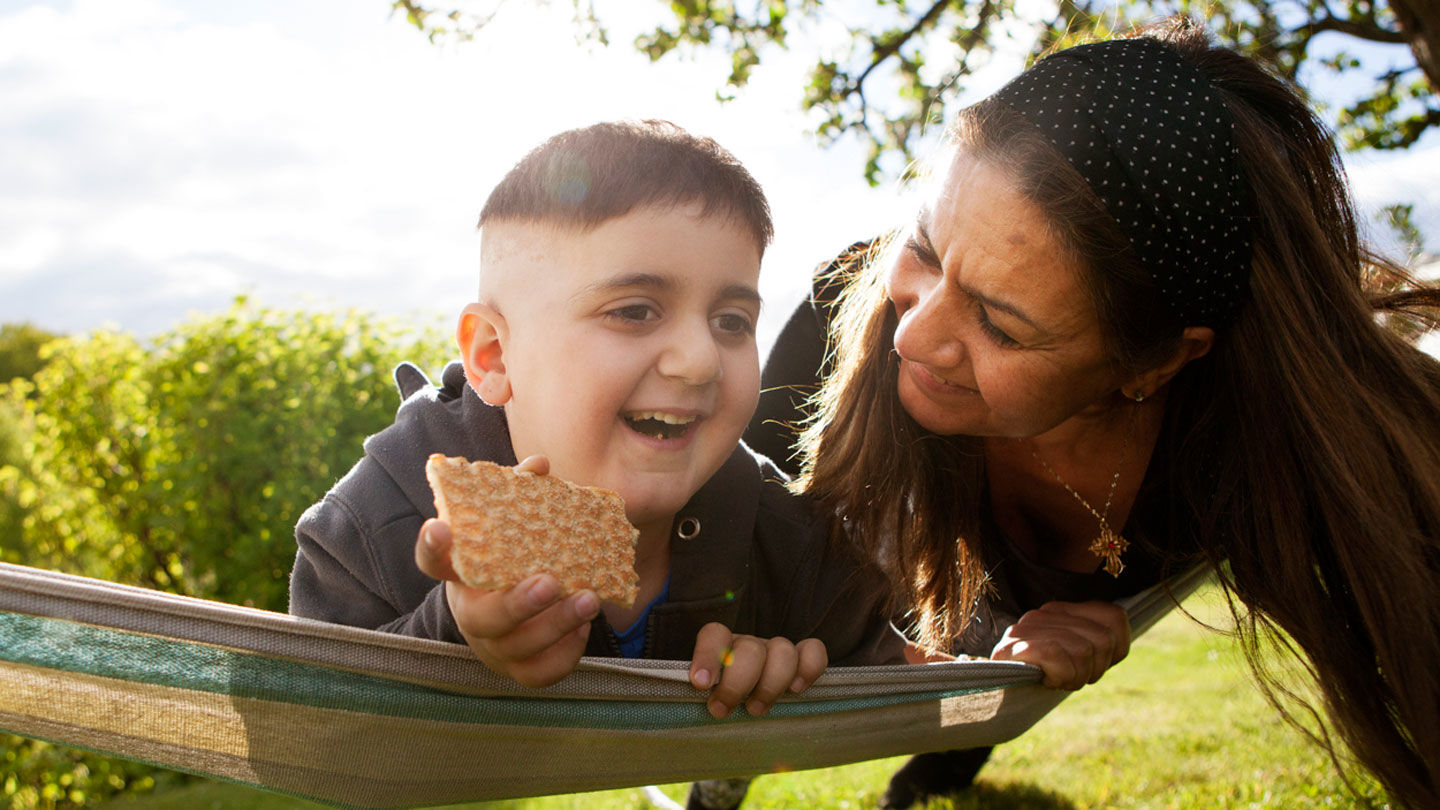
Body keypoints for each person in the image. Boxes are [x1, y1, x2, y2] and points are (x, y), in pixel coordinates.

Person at [747, 18, 1440, 810]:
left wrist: (1002, 681)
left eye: (1001, 326)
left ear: (1154, 364)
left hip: (999, 630)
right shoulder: (846, 319)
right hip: (862, 548)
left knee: (965, 714)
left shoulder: (1238, 443)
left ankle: (937, 775)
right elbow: (726, 548)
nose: (914, 335)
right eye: (927, 250)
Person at [288, 121, 905, 746]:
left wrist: (797, 673)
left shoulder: (783, 535)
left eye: (731, 320)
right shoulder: (377, 524)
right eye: (634, 311)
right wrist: (452, 636)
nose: (699, 360)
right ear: (495, 356)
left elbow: (912, 682)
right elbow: (296, 727)